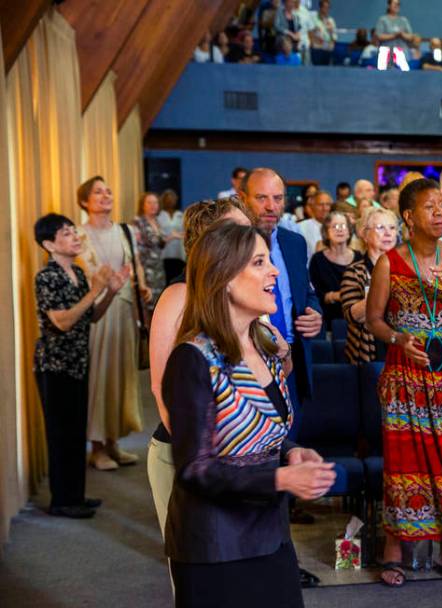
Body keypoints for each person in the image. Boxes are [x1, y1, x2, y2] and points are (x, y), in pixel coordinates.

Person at [162, 222, 336, 607]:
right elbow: (195, 469)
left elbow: (261, 428)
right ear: (223, 277)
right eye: (259, 262)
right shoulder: (194, 359)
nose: (274, 270)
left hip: (269, 533)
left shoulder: (264, 346)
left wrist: (290, 451)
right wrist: (281, 477)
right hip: (216, 545)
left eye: (269, 260)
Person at [364, 178, 442, 586]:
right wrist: (399, 337)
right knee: (406, 463)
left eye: (441, 207)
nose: (438, 214)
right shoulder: (389, 263)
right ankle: (393, 551)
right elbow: (374, 319)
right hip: (408, 374)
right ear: (408, 217)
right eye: (429, 207)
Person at [148, 198, 256, 540]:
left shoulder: (236, 292)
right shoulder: (180, 295)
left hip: (237, 456)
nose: (248, 236)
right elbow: (162, 387)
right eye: (237, 229)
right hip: (189, 453)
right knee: (195, 570)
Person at [33, 214, 121, 518]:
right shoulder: (47, 277)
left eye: (74, 231)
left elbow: (90, 318)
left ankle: (75, 496)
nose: (75, 237)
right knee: (60, 435)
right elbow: (62, 321)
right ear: (49, 244)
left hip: (79, 364)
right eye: (66, 233)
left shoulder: (80, 274)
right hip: (55, 367)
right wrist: (95, 290)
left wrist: (110, 291)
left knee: (75, 434)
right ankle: (62, 501)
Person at [239, 168, 323, 437]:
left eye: (278, 198)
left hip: (291, 360)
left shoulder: (295, 243)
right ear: (243, 199)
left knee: (290, 442)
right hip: (245, 363)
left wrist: (315, 312)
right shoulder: (230, 245)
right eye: (261, 198)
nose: (271, 207)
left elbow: (304, 291)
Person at [77, 176, 151, 471]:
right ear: (85, 201)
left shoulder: (124, 230)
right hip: (96, 314)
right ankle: (96, 447)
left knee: (121, 378)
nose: (105, 195)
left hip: (124, 312)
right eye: (98, 192)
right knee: (100, 377)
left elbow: (135, 265)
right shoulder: (78, 234)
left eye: (108, 190)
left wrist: (141, 287)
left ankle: (113, 442)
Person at [340, 208, 400, 364]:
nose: (388, 233)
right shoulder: (354, 272)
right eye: (380, 227)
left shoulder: (406, 269)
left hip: (402, 349)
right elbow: (351, 316)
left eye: (392, 228)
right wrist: (382, 291)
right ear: (365, 235)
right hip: (369, 353)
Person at [310, 211, 362, 327]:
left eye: (343, 226)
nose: (340, 229)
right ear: (326, 232)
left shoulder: (359, 257)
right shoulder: (317, 259)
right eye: (334, 226)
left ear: (349, 231)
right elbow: (314, 294)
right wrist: (335, 296)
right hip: (327, 321)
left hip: (356, 320)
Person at [132, 192, 168, 313]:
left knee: (159, 306)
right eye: (149, 202)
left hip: (159, 269)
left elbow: (160, 245)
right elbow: (143, 244)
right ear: (142, 205)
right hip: (145, 270)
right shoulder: (138, 222)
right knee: (147, 306)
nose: (153, 205)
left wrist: (170, 237)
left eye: (155, 202)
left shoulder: (157, 221)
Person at [158, 189, 185, 284]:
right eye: (168, 198)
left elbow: (185, 232)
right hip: (164, 254)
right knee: (166, 281)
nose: (170, 201)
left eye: (172, 198)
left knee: (177, 281)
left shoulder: (180, 215)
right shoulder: (159, 216)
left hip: (179, 254)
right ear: (163, 200)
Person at [297, 190, 332, 261]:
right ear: (312, 207)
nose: (324, 208)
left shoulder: (336, 226)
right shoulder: (300, 227)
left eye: (327, 204)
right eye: (320, 204)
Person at [309, 0, 337, 65]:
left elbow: (334, 38)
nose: (326, 10)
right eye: (325, 7)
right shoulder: (313, 18)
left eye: (328, 8)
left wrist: (331, 32)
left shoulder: (331, 21)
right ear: (320, 7)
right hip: (317, 49)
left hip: (327, 50)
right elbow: (310, 34)